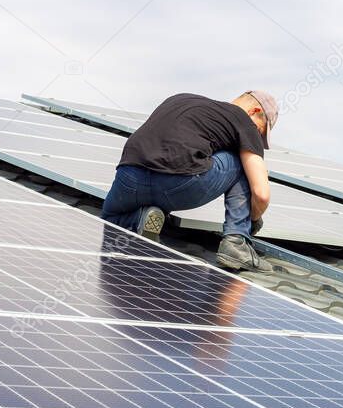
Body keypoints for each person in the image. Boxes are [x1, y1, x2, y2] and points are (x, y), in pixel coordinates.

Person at [101, 91, 277, 272]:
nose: (256, 136)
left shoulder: (180, 99)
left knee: (109, 220)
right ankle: (236, 242)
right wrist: (252, 218)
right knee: (245, 162)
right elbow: (261, 194)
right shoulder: (244, 121)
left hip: (129, 179)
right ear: (254, 111)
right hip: (178, 185)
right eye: (260, 130)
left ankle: (138, 218)